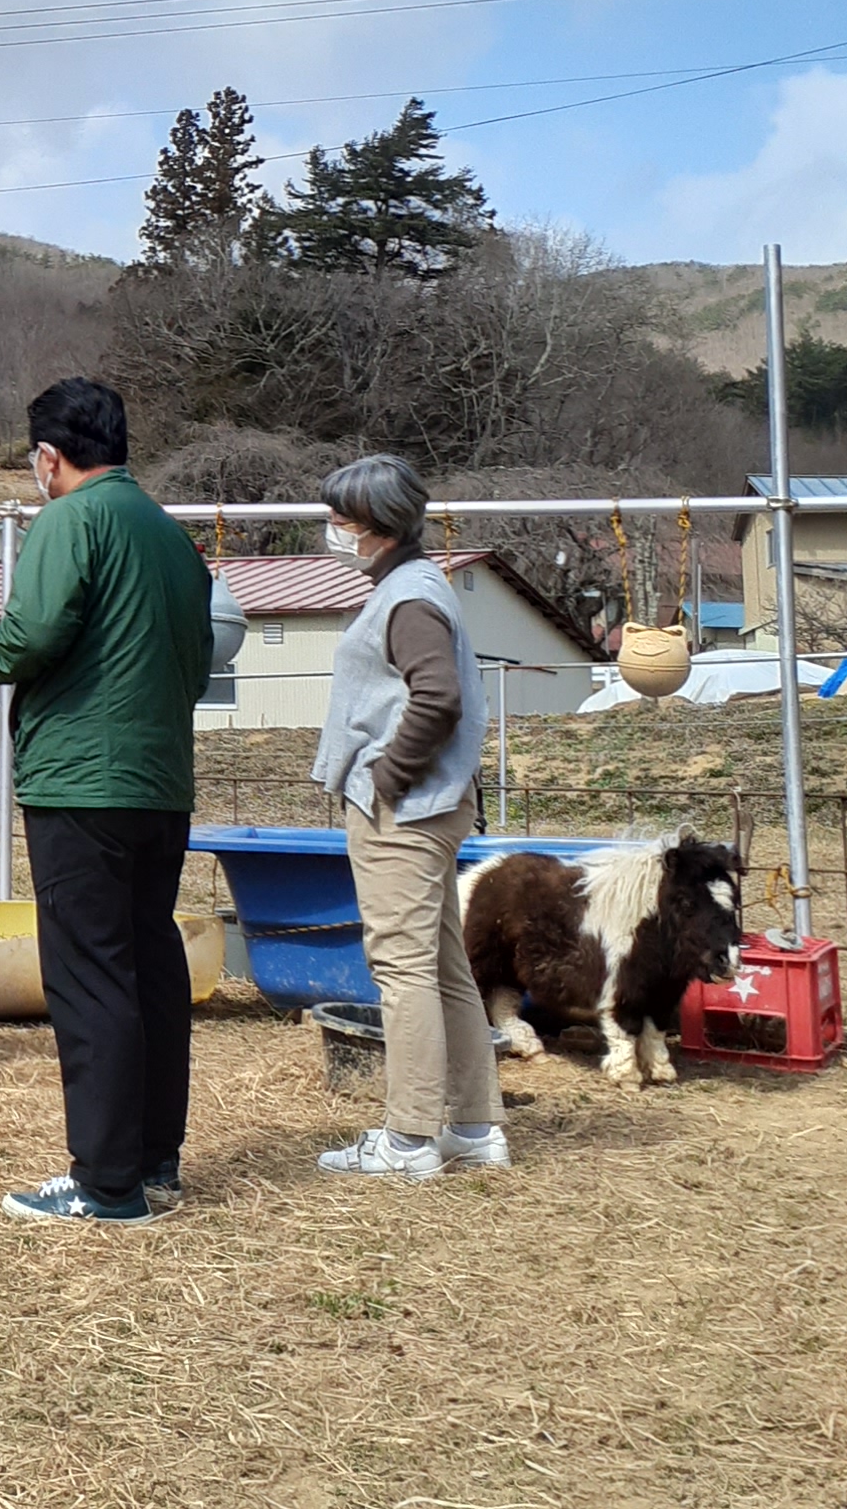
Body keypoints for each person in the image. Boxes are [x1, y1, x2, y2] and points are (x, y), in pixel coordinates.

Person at [0, 379, 214, 1228]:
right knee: (151, 965)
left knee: (89, 975)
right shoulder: (170, 535)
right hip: (160, 781)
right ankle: (155, 1163)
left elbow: (34, 632)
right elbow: (196, 659)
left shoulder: (70, 521)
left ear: (50, 458)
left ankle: (105, 1183)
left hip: (82, 778)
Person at [310, 453, 507, 1178]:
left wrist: (388, 775)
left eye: (341, 519)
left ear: (378, 526)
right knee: (446, 966)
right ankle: (476, 1128)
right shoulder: (413, 585)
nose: (332, 530)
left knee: (403, 969)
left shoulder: (410, 597)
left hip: (408, 812)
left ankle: (411, 1139)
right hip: (437, 805)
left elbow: (437, 696)